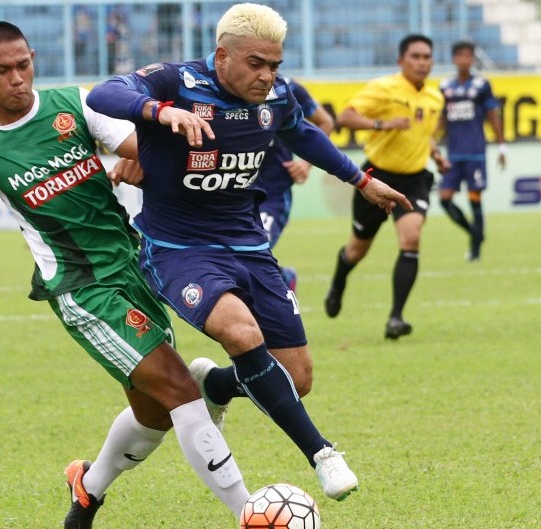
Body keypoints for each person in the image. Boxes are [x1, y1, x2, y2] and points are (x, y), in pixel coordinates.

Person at [0, 21, 252, 529]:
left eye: (23, 64)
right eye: (2, 70)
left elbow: (139, 148)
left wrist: (140, 160)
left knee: (153, 413)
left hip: (134, 263)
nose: (17, 78)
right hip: (80, 288)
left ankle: (89, 483)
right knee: (178, 390)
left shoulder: (72, 105)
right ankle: (253, 519)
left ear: (32, 58)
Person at [87, 3, 410, 503]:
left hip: (248, 243)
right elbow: (106, 94)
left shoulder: (276, 97)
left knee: (296, 379)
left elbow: (303, 133)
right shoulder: (177, 83)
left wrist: (361, 180)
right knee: (241, 331)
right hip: (179, 247)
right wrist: (159, 111)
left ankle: (214, 386)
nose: (267, 76)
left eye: (275, 65)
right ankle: (322, 453)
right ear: (222, 55)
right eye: (256, 63)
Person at [324, 33, 449, 340]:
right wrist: (382, 124)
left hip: (415, 179)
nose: (422, 63)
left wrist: (435, 154)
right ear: (400, 60)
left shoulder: (435, 98)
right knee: (357, 250)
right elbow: (345, 117)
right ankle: (338, 282)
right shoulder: (384, 88)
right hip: (376, 178)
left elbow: (424, 133)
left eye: (426, 57)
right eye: (415, 57)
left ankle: (396, 317)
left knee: (411, 238)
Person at [254, 77, 335, 291]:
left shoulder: (288, 88)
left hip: (272, 194)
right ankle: (282, 278)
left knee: (256, 249)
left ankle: (283, 282)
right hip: (230, 193)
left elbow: (326, 122)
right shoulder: (219, 89)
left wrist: (306, 164)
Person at [438, 40, 506, 261]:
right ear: (454, 59)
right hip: (453, 153)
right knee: (444, 199)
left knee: (474, 198)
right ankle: (475, 233)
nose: (464, 60)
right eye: (460, 55)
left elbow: (493, 116)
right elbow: (440, 119)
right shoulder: (445, 87)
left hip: (475, 152)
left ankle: (475, 251)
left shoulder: (481, 85)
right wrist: (430, 140)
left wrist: (502, 145)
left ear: (473, 59)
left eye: (468, 56)